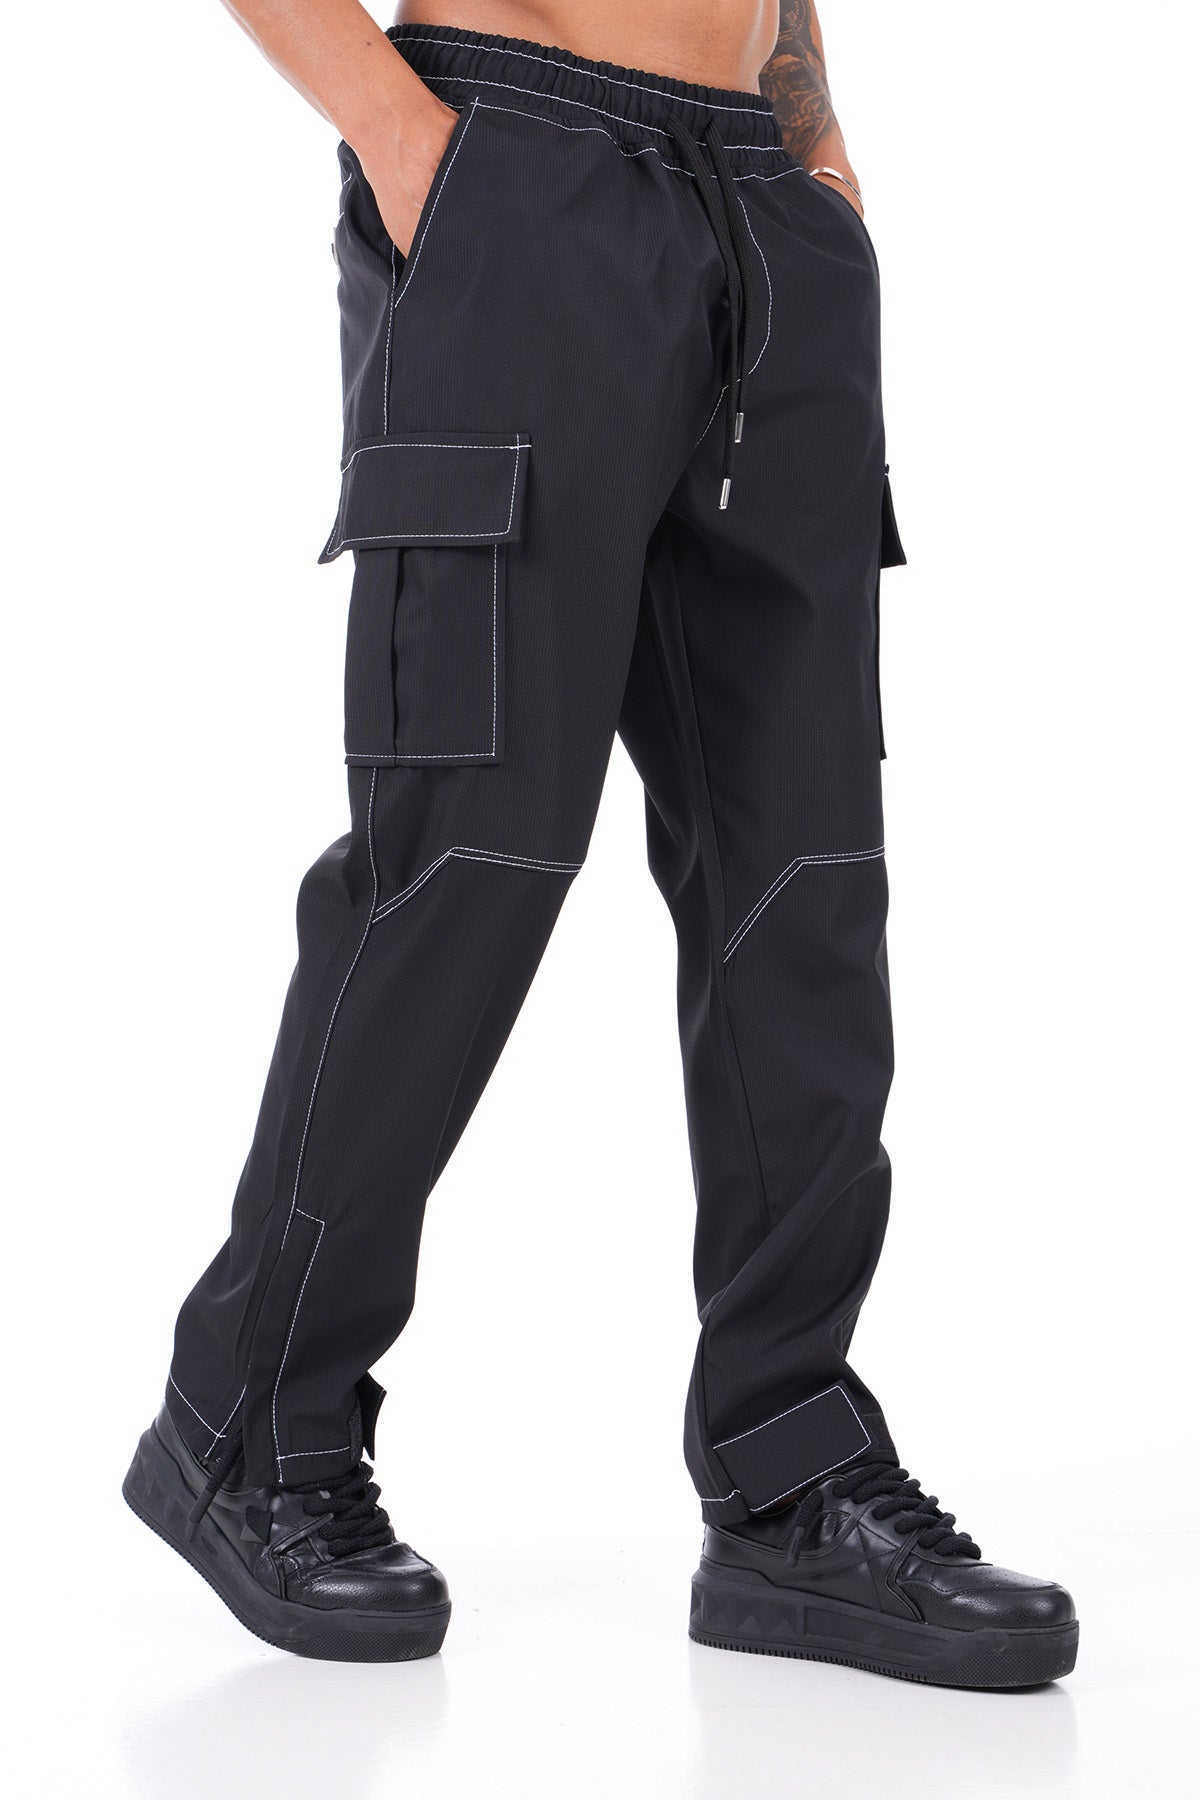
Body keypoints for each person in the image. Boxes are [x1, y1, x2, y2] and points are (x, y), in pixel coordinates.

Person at [123, 0, 1078, 1685]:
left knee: (804, 881)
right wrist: (411, 144)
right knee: (466, 863)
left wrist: (816, 143)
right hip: (518, 175)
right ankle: (249, 1428)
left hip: (764, 206)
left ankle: (788, 1478)